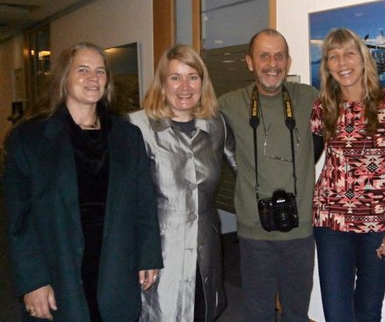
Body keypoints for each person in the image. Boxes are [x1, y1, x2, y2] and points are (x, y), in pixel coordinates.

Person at [2, 42, 163, 321]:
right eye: (83, 70)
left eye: (100, 71)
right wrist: (33, 281)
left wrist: (148, 255)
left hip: (115, 266)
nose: (93, 78)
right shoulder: (30, 139)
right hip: (59, 269)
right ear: (65, 78)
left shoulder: (127, 136)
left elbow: (144, 201)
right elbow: (18, 219)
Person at [310, 28, 385, 322]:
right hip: (330, 223)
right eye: (333, 56)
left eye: (349, 53)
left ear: (363, 58)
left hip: (379, 224)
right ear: (327, 66)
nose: (342, 62)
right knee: (336, 314)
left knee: (369, 311)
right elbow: (306, 159)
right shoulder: (323, 107)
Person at [128, 44, 236, 321]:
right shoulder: (137, 127)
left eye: (193, 76)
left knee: (201, 311)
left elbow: (245, 173)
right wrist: (139, 255)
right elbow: (124, 200)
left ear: (203, 82)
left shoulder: (216, 125)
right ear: (163, 83)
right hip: (159, 249)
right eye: (175, 77)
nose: (184, 86)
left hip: (205, 246)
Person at [218, 29, 318, 322]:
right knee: (258, 313)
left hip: (301, 231)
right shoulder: (228, 104)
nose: (272, 64)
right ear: (249, 62)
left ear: (288, 61)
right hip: (254, 233)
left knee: (296, 313)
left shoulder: (309, 98)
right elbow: (184, 116)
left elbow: (354, 107)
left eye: (279, 56)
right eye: (264, 56)